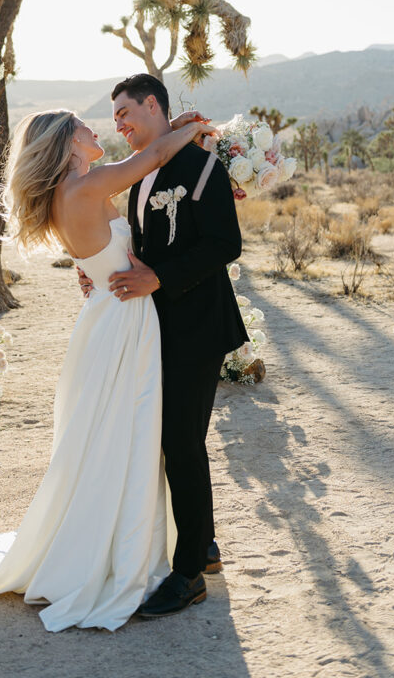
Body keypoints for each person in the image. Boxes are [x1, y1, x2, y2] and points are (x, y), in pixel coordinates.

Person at [0, 107, 214, 632]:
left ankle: (124, 536)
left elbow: (107, 225)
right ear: (67, 142)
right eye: (84, 125)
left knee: (107, 435)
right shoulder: (89, 186)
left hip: (105, 314)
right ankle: (122, 551)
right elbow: (154, 156)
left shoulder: (68, 192)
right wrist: (197, 130)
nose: (95, 129)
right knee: (125, 433)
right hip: (123, 320)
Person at [78, 74, 248, 618]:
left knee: (181, 441)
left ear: (154, 105)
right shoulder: (144, 177)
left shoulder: (201, 166)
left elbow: (226, 243)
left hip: (198, 326)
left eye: (126, 113)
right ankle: (206, 545)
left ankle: (189, 573)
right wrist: (104, 272)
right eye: (115, 120)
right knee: (174, 438)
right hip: (157, 328)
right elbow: (142, 246)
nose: (120, 126)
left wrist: (160, 279)